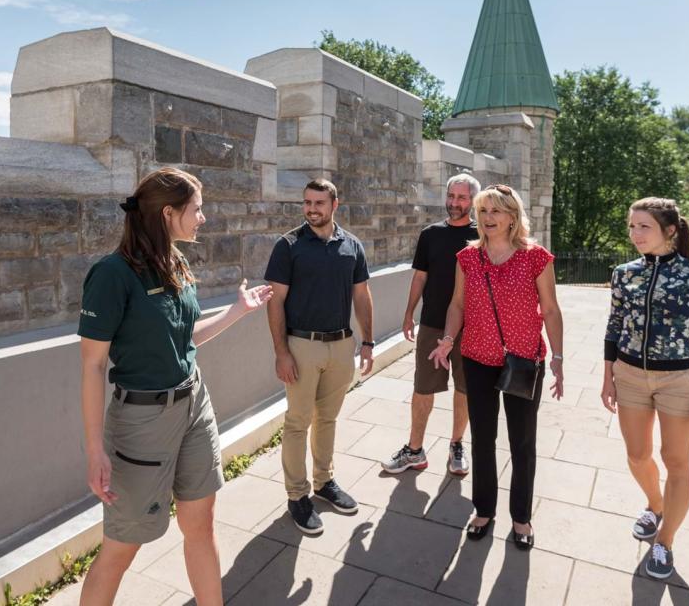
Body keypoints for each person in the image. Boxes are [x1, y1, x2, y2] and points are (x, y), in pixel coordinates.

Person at [77, 168, 272, 606]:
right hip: (142, 421)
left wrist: (237, 311)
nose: (203, 218)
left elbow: (183, 340)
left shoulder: (176, 262)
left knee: (201, 523)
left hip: (194, 405)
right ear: (169, 213)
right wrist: (94, 450)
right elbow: (92, 367)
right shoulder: (111, 275)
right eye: (197, 209)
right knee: (122, 546)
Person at [429, 184, 564, 549]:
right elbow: (457, 305)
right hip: (476, 358)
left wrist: (559, 358)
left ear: (511, 216)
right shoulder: (468, 258)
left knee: (522, 443)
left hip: (524, 361)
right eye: (483, 211)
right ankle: (484, 510)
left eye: (496, 211)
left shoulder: (536, 257)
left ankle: (521, 518)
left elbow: (550, 310)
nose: (488, 218)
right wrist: (447, 339)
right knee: (483, 439)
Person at [600, 197, 689, 581]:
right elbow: (614, 325)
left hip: (678, 379)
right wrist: (608, 377)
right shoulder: (624, 273)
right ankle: (656, 504)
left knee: (677, 461)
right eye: (631, 226)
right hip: (629, 374)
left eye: (644, 226)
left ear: (669, 230)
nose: (635, 234)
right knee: (637, 456)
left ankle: (664, 542)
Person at [265, 178, 374, 536]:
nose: (312, 209)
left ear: (334, 205)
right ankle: (297, 496)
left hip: (342, 345)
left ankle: (324, 482)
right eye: (307, 202)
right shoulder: (288, 246)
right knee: (298, 421)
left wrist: (368, 342)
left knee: (328, 418)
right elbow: (275, 301)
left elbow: (362, 296)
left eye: (319, 203)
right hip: (301, 346)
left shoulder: (352, 245)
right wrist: (282, 352)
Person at [384, 173, 479, 476]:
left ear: (473, 201)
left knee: (465, 388)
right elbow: (420, 276)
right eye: (451, 196)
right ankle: (415, 450)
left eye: (462, 197)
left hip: (472, 328)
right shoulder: (430, 234)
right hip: (433, 324)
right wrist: (408, 312)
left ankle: (457, 445)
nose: (454, 203)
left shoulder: (484, 236)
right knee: (422, 387)